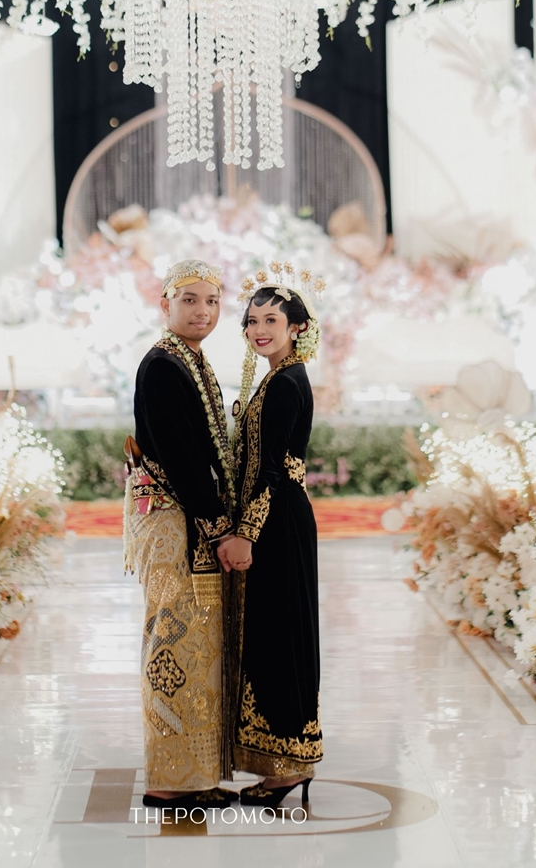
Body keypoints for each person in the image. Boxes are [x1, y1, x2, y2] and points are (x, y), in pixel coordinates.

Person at [124, 259, 236, 811]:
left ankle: (192, 773)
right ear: (165, 303)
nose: (203, 311)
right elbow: (184, 461)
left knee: (193, 646)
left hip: (182, 518)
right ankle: (169, 780)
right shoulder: (164, 367)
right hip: (174, 522)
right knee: (172, 642)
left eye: (212, 301)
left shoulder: (187, 359)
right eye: (190, 300)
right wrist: (220, 527)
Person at [217, 266, 324, 809]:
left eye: (271, 321)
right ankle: (287, 765)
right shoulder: (282, 375)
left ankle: (285, 767)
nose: (259, 330)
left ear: (297, 327)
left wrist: (245, 534)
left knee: (278, 634)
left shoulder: (284, 383)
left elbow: (271, 471)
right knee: (276, 633)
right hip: (281, 518)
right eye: (252, 321)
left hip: (277, 522)